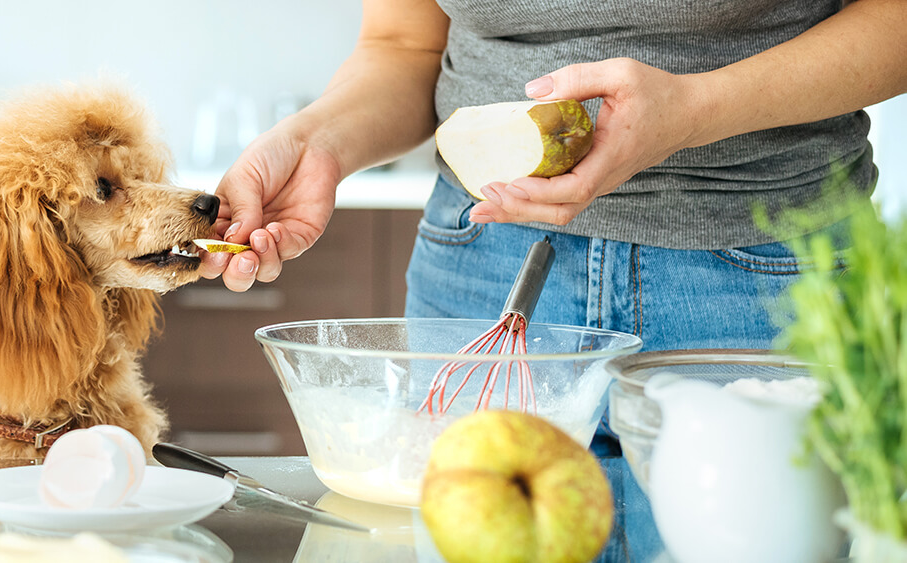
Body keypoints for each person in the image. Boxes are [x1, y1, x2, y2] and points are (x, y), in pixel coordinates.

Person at [199, 0, 907, 560]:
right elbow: (403, 45)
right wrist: (319, 141)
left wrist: (696, 110)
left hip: (764, 271)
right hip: (483, 263)